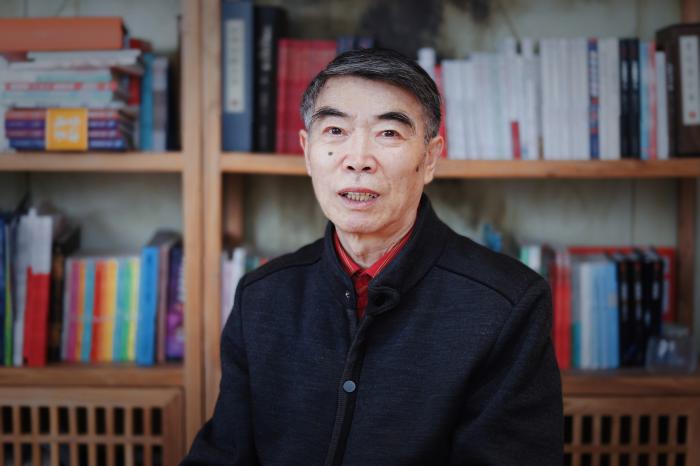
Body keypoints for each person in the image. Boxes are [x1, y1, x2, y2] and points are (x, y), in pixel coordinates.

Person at [182, 48, 563, 466]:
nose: (358, 160)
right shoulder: (261, 297)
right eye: (335, 131)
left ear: (430, 158)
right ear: (307, 152)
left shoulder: (507, 305)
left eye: (389, 133)